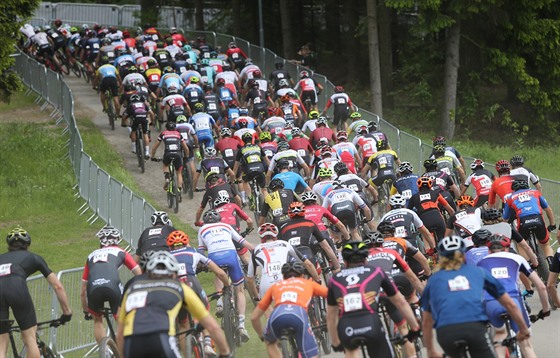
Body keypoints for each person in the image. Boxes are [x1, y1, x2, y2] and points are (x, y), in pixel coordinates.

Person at [421, 235, 531, 358]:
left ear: (441, 257)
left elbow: (426, 321)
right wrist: (523, 329)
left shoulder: (433, 280)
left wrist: (430, 350)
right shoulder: (477, 272)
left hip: (447, 332)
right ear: (463, 254)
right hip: (474, 327)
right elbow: (510, 304)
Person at [116, 251, 231, 358]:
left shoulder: (132, 289)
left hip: (132, 342)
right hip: (160, 337)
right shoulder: (178, 287)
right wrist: (225, 353)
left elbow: (120, 333)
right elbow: (213, 327)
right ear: (173, 274)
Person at [327, 241, 421, 357]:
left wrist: (336, 342)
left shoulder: (334, 280)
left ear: (345, 262)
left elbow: (331, 316)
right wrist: (415, 327)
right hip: (370, 322)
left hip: (347, 326)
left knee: (351, 351)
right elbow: (400, 302)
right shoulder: (376, 272)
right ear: (366, 260)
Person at [0, 227, 72, 357]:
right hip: (16, 288)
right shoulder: (33, 257)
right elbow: (57, 286)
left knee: (1, 347)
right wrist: (67, 312)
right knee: (29, 338)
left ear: (9, 246)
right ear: (27, 244)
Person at [478, 234, 550, 358]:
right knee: (526, 345)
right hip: (513, 300)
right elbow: (541, 286)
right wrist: (545, 309)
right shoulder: (516, 258)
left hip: (491, 302)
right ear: (507, 248)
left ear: (489, 250)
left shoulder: (481, 262)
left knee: (499, 335)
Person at [166, 230, 230, 356]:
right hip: (191, 283)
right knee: (204, 312)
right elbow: (220, 272)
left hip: (174, 288)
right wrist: (227, 286)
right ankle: (207, 343)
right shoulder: (194, 251)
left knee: (183, 326)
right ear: (186, 242)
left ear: (170, 245)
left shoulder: (165, 256)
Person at [197, 210, 255, 341]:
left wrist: (202, 264)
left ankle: (219, 303)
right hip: (231, 255)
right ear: (219, 220)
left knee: (218, 275)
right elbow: (242, 242)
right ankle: (241, 325)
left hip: (214, 257)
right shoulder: (226, 226)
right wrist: (255, 250)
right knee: (239, 290)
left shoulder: (202, 229)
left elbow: (200, 250)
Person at [250, 261, 327, 358]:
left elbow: (253, 318)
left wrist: (263, 337)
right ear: (302, 275)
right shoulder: (308, 283)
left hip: (277, 316)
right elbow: (332, 294)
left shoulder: (275, 286)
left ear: (283, 276)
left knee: (270, 343)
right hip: (298, 315)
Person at [81, 226, 141, 344]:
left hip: (93, 288)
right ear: (117, 240)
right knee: (120, 319)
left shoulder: (91, 255)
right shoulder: (120, 251)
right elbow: (138, 273)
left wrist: (85, 311)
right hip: (113, 286)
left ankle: (105, 353)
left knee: (97, 321)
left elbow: (83, 290)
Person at [246, 223, 320, 302]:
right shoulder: (285, 244)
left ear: (261, 238)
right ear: (276, 236)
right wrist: (317, 279)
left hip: (266, 284)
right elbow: (308, 264)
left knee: (266, 307)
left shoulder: (257, 249)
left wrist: (256, 296)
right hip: (285, 282)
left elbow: (250, 279)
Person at [503, 179, 556, 259]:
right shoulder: (535, 192)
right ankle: (551, 263)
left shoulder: (510, 197)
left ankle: (529, 266)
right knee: (545, 245)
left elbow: (505, 219)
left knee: (521, 245)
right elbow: (549, 210)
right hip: (538, 219)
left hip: (523, 221)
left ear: (514, 189)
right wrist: (552, 225)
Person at [150, 121, 190, 193]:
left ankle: (167, 178)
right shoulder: (178, 134)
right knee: (178, 173)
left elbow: (155, 147)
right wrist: (186, 157)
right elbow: (186, 148)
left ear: (166, 128)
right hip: (178, 154)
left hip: (168, 153)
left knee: (165, 165)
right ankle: (179, 190)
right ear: (175, 128)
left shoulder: (163, 133)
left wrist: (152, 156)